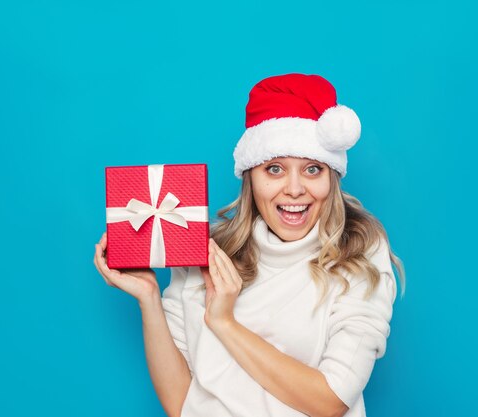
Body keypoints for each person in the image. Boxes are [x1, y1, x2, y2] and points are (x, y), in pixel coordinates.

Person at [94, 73, 405, 417]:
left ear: (331, 176)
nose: (295, 189)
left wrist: (225, 323)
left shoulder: (359, 252)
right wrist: (149, 299)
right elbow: (180, 404)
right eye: (274, 169)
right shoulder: (205, 250)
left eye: (313, 169)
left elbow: (330, 400)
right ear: (250, 177)